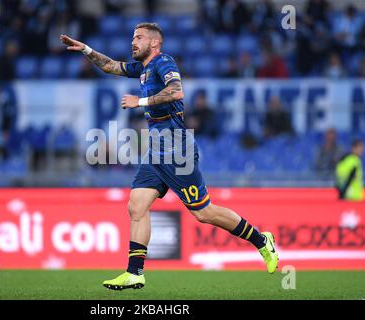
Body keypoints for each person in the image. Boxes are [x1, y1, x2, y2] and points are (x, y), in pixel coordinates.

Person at [60, 22, 278, 291]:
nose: (132, 42)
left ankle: (261, 241)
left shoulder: (164, 62)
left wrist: (139, 102)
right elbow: (112, 66)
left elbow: (177, 91)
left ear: (154, 43)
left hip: (177, 149)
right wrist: (87, 50)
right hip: (156, 151)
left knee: (204, 213)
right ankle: (134, 272)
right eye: (132, 37)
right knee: (136, 205)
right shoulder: (143, 68)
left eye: (138, 37)